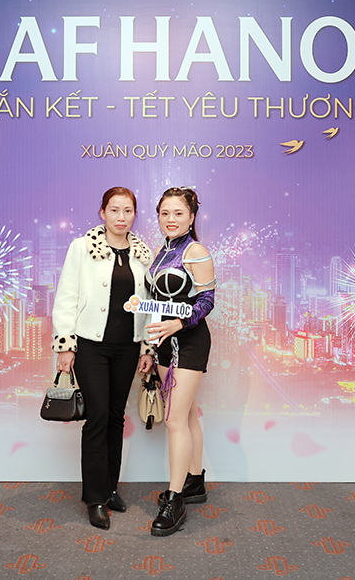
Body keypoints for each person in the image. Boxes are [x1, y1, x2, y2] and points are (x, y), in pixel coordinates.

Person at [52, 187, 155, 530]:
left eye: (128, 211)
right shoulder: (82, 248)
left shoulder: (142, 254)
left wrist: (147, 348)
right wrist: (65, 345)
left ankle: (110, 489)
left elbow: (149, 306)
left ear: (134, 215)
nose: (121, 217)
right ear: (102, 212)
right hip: (91, 346)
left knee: (115, 418)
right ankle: (94, 498)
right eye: (114, 210)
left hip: (128, 346)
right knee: (96, 417)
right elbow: (67, 295)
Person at [145, 187, 215, 536]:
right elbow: (155, 303)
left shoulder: (195, 251)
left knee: (173, 420)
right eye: (164, 213)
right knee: (186, 415)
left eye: (178, 213)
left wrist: (179, 323)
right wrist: (148, 347)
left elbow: (207, 300)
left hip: (188, 343)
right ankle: (195, 481)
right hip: (162, 343)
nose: (170, 219)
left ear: (191, 217)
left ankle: (174, 500)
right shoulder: (163, 250)